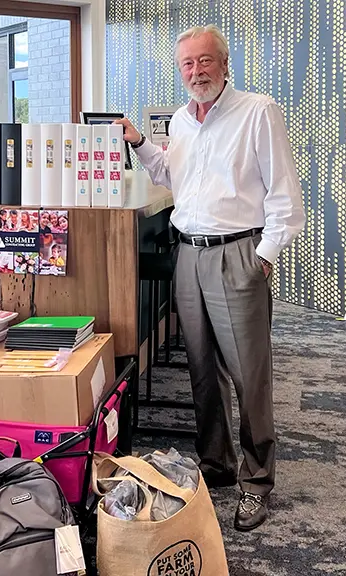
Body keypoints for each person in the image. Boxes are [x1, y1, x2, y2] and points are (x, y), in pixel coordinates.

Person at [116, 24, 306, 531]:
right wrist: (139, 143)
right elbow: (172, 176)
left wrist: (261, 258)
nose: (195, 71)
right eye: (187, 64)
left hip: (236, 254)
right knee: (203, 370)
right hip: (189, 256)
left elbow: (286, 198)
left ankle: (258, 481)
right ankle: (217, 464)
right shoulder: (181, 119)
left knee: (250, 375)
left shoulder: (257, 112)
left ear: (224, 64)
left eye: (204, 61)